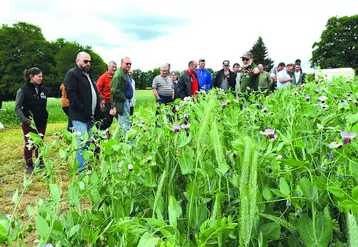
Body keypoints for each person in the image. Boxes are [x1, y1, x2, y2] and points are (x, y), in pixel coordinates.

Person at [64, 51, 101, 173]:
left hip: (90, 116)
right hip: (80, 116)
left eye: (90, 61)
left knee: (87, 143)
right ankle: (82, 170)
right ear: (77, 61)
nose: (88, 64)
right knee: (81, 144)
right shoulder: (72, 74)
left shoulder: (88, 74)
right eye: (85, 61)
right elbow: (71, 95)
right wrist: (82, 108)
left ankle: (85, 165)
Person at [15, 67, 48, 173]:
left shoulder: (42, 90)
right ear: (31, 76)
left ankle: (41, 161)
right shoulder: (23, 90)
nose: (41, 78)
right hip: (29, 123)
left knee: (40, 143)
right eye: (39, 76)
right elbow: (17, 107)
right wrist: (24, 119)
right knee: (29, 143)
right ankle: (29, 164)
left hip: (41, 122)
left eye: (42, 76)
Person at [110, 56, 133, 137]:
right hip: (122, 102)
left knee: (122, 123)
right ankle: (128, 143)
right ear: (121, 63)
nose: (129, 65)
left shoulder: (125, 73)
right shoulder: (118, 74)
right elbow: (114, 90)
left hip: (126, 101)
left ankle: (119, 141)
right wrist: (124, 98)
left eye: (130, 64)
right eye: (127, 63)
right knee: (125, 123)